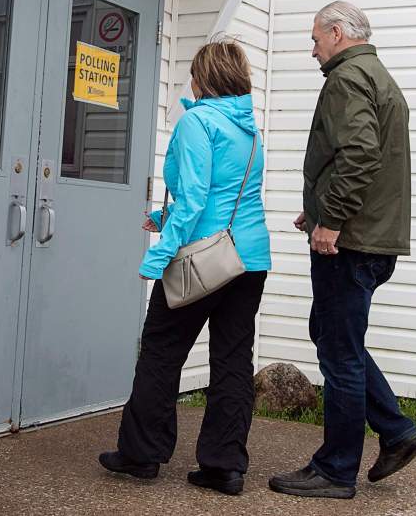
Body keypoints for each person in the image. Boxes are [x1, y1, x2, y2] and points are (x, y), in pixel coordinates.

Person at [269, 1, 416, 500]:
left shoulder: (346, 78)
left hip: (352, 241)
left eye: (316, 38)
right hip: (370, 235)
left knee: (339, 351)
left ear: (337, 33)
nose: (312, 48)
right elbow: (360, 160)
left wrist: (332, 220)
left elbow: (358, 154)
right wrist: (316, 210)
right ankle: (397, 431)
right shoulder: (378, 76)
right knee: (334, 336)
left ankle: (336, 469)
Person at [99, 37, 270, 496]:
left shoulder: (198, 122)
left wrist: (157, 254)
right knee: (233, 359)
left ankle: (141, 454)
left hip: (200, 257)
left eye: (194, 72)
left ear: (206, 78)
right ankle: (224, 467)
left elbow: (194, 199)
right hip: (249, 258)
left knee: (160, 349)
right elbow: (226, 194)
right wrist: (162, 218)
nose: (189, 80)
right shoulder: (250, 128)